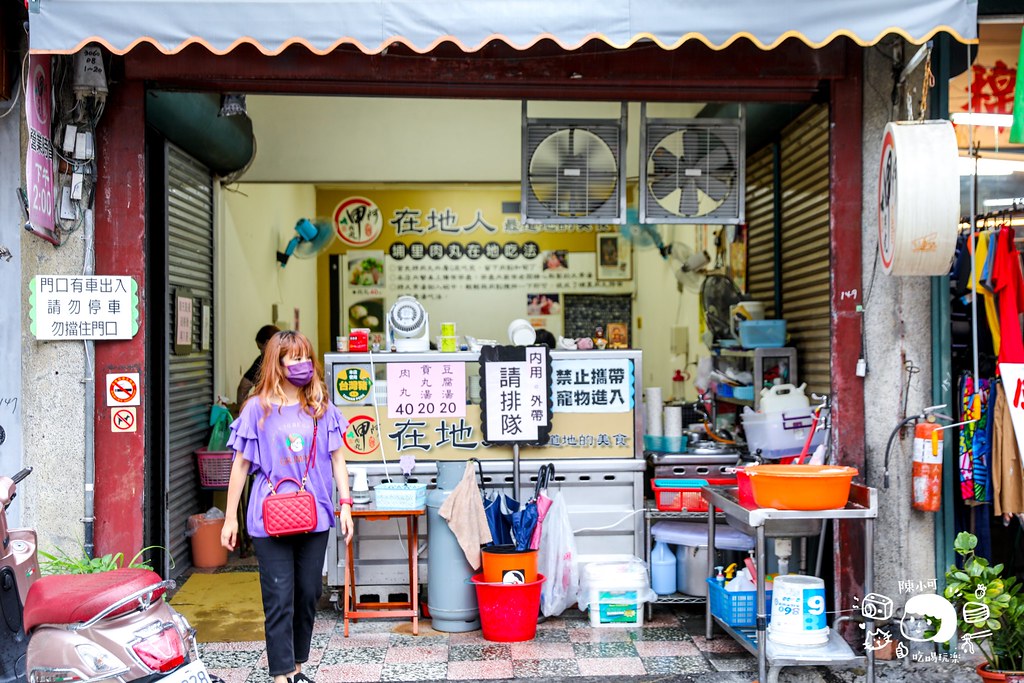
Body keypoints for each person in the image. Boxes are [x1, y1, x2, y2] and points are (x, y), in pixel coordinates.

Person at [221, 330, 354, 683]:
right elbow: (240, 465)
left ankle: (297, 665)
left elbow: (338, 460)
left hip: (316, 513)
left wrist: (346, 505)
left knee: (309, 593)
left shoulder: (321, 407)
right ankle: (282, 674)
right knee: (279, 597)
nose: (302, 365)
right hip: (270, 517)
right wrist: (230, 517)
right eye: (293, 358)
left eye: (305, 357)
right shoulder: (257, 409)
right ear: (277, 364)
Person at [236, 325, 281, 406]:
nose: (261, 353)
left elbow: (243, 387)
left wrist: (242, 409)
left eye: (261, 349)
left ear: (267, 343)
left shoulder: (262, 360)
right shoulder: (293, 358)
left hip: (267, 411)